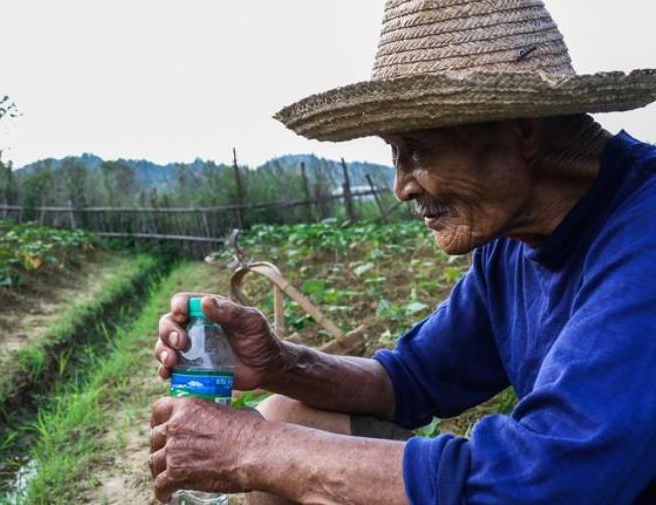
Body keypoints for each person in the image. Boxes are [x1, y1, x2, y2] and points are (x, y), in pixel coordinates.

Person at [150, 1, 656, 503]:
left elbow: (550, 480)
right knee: (287, 415)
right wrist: (281, 364)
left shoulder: (644, 232)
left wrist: (250, 449)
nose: (401, 186)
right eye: (395, 153)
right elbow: (411, 379)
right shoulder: (514, 246)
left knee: (276, 444)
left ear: (521, 129)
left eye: (416, 150)